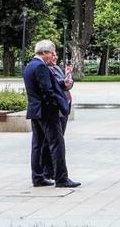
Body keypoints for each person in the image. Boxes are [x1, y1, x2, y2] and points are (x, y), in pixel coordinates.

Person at [23, 40, 79, 188]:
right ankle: (61, 178)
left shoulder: (30, 65)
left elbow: (45, 85)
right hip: (47, 111)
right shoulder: (41, 66)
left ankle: (38, 177)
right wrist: (56, 104)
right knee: (57, 144)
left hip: (36, 110)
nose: (54, 56)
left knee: (37, 145)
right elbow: (47, 91)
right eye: (52, 53)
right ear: (44, 53)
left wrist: (62, 84)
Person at [41, 52, 74, 180]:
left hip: (64, 106)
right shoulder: (46, 70)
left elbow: (66, 86)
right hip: (56, 108)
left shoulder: (57, 68)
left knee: (59, 139)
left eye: (56, 55)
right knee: (52, 141)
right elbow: (55, 87)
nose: (55, 57)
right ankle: (48, 170)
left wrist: (68, 74)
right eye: (53, 55)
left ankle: (53, 170)